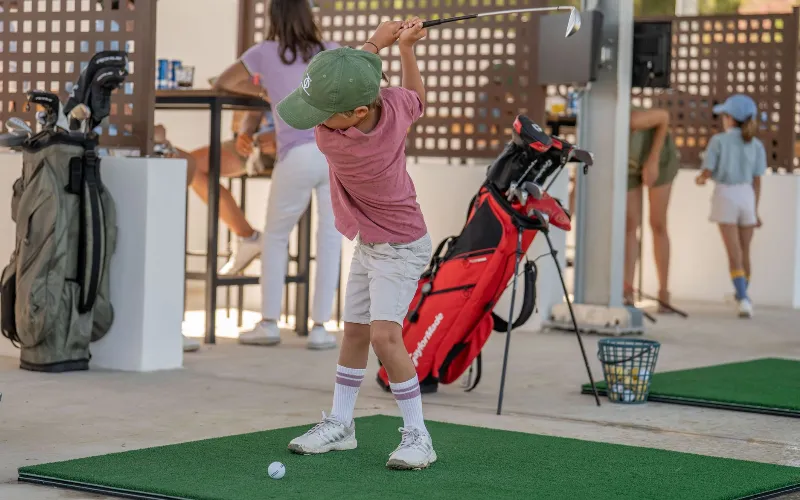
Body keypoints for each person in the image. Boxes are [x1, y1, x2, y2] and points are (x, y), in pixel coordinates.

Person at [275, 19, 436, 469]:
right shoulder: (395, 108)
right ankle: (342, 424)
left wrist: (376, 43)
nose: (316, 121)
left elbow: (363, 75)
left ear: (356, 115)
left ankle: (419, 436)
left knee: (385, 338)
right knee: (354, 333)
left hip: (402, 246)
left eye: (323, 111)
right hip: (373, 242)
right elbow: (416, 97)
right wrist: (405, 49)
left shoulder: (335, 142)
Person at [212, 0, 342, 349]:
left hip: (296, 154)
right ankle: (320, 329)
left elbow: (225, 81)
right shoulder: (330, 51)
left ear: (274, 17)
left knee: (275, 236)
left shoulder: (265, 52)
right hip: (334, 154)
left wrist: (266, 89)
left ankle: (269, 323)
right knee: (330, 238)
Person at [695, 94, 766, 318]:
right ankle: (743, 294)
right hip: (747, 196)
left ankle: (743, 298)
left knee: (733, 252)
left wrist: (701, 179)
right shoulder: (756, 145)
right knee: (745, 251)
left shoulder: (718, 141)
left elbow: (707, 171)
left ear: (730, 119)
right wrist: (755, 210)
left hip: (725, 194)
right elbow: (757, 180)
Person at [625, 108, 679, 311]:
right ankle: (627, 292)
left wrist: (653, 159)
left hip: (660, 160)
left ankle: (664, 294)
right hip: (629, 167)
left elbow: (665, 116)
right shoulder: (597, 133)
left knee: (657, 223)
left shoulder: (633, 118)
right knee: (629, 225)